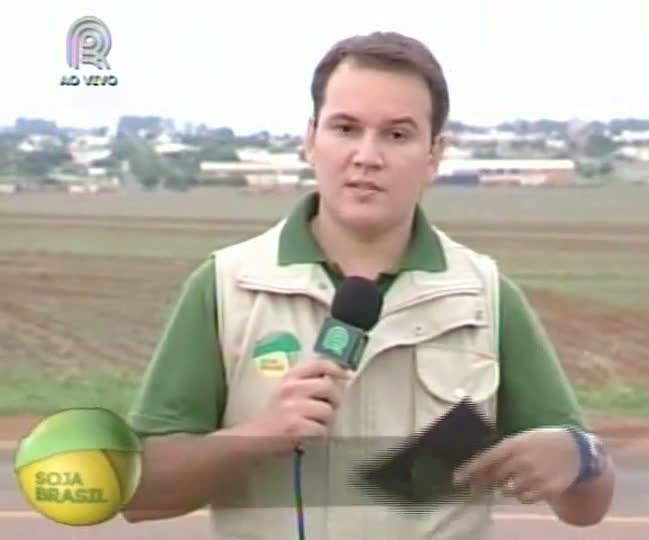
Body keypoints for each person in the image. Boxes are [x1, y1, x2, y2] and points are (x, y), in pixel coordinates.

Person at [121, 31, 615, 539]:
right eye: (345, 128)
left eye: (397, 134)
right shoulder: (228, 287)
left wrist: (582, 455)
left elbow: (586, 507)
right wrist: (258, 435)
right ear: (311, 139)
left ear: (434, 154)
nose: (367, 156)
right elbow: (139, 494)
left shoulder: (485, 298)